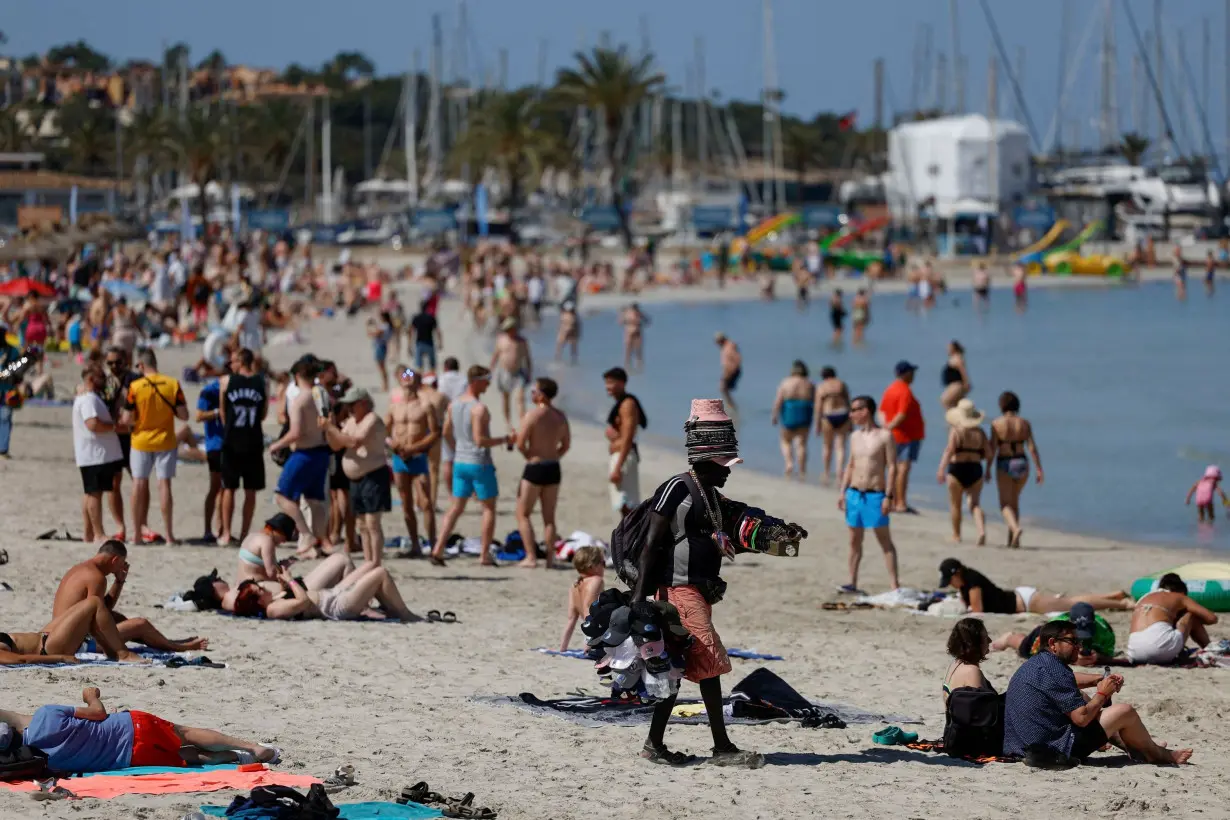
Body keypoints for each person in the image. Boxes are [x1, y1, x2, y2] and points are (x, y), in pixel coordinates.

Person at [630, 398, 806, 768]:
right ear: (707, 460)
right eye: (724, 465)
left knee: (677, 666)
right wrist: (639, 600)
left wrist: (780, 534)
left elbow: (739, 532)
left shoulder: (711, 496)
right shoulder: (676, 489)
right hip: (677, 591)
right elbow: (650, 545)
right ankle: (721, 746)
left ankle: (654, 745)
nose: (728, 472)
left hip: (697, 592)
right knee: (708, 661)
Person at [1003, 620, 1191, 766]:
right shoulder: (1054, 670)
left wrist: (1097, 679)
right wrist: (1101, 694)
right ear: (1053, 643)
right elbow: (1081, 719)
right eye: (1072, 641)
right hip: (1052, 750)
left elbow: (1067, 679)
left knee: (1083, 698)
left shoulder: (1039, 664)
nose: (1079, 646)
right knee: (1124, 711)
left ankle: (1136, 745)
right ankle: (1157, 754)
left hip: (1021, 745)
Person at [3, 687, 279, 772]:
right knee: (185, 733)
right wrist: (90, 695)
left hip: (132, 757)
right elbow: (98, 713)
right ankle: (252, 748)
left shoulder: (43, 762)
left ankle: (237, 758)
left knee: (191, 757)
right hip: (129, 726)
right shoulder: (45, 715)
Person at [52, 540, 208, 652]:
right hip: (75, 643)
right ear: (115, 560)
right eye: (122, 563)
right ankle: (178, 647)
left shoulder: (80, 569)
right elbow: (97, 617)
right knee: (140, 623)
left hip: (57, 635)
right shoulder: (97, 578)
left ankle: (164, 641)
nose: (123, 567)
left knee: (117, 617)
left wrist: (119, 581)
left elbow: (99, 610)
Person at [431, 366, 511, 566]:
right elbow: (480, 440)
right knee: (488, 508)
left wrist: (457, 448)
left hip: (460, 461)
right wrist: (504, 439)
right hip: (479, 462)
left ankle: (438, 548)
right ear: (476, 381)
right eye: (486, 380)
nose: (489, 384)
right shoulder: (479, 408)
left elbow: (447, 432)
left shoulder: (454, 404)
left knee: (456, 507)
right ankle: (484, 554)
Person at [121, 350, 188, 545]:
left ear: (141, 365)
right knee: (164, 485)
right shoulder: (173, 384)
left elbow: (126, 418)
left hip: (141, 441)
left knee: (138, 484)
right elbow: (184, 415)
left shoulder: (135, 386)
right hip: (165, 440)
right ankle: (169, 535)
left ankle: (136, 535)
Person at [268, 357, 332, 557]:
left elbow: (295, 432)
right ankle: (319, 542)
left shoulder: (300, 400)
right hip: (322, 452)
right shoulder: (322, 395)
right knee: (315, 500)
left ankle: (306, 534)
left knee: (282, 496)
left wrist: (276, 444)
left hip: (304, 453)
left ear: (296, 376)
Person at [837, 396, 900, 594]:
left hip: (876, 494)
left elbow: (893, 467)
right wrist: (842, 492)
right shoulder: (854, 437)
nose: (851, 414)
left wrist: (889, 496)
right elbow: (850, 465)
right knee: (854, 541)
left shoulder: (884, 436)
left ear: (866, 411)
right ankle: (852, 582)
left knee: (884, 541)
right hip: (855, 493)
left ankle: (894, 585)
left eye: (855, 410)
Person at [326, 387, 390, 567]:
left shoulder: (372, 419)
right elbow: (336, 445)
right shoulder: (352, 421)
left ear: (363, 403)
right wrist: (330, 430)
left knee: (372, 522)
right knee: (361, 524)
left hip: (373, 474)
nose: (350, 409)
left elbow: (354, 442)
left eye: (352, 404)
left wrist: (332, 428)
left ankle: (376, 562)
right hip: (356, 478)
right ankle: (369, 562)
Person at [938, 557, 1133, 615]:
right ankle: (1112, 595)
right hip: (1022, 598)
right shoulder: (965, 583)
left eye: (950, 580)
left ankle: (1123, 604)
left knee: (1073, 604)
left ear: (957, 574)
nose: (951, 585)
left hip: (1026, 601)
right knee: (1067, 601)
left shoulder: (972, 582)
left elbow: (977, 610)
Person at [236, 563, 420, 622]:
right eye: (260, 590)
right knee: (380, 574)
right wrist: (291, 581)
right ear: (258, 601)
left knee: (371, 565)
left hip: (332, 594)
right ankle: (405, 614)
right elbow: (303, 602)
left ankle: (390, 607)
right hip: (336, 607)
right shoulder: (273, 610)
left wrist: (285, 585)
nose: (264, 588)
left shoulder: (273, 601)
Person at [515, 377, 571, 569]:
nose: (532, 394)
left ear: (541, 394)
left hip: (535, 466)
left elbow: (521, 442)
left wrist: (528, 455)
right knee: (549, 518)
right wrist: (554, 455)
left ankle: (531, 557)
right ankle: (549, 559)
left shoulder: (532, 415)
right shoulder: (560, 416)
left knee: (523, 513)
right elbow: (566, 445)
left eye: (534, 391)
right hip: (553, 466)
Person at [386, 369, 440, 555]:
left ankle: (434, 545)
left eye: (411, 376)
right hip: (399, 458)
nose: (407, 379)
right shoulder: (394, 407)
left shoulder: (426, 405)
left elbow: (434, 433)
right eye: (404, 376)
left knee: (425, 502)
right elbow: (384, 432)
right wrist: (392, 445)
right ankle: (416, 545)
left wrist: (414, 448)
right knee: (406, 502)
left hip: (417, 457)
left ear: (417, 382)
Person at [217, 347, 267, 544]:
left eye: (233, 362)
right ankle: (244, 533)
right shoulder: (262, 382)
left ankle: (227, 533)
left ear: (240, 361)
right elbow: (263, 414)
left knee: (229, 488)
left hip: (232, 440)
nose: (231, 365)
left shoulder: (226, 381)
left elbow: (222, 412)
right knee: (250, 490)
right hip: (253, 440)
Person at [1, 597, 144, 665]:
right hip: (49, 649)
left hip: (44, 637)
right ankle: (122, 654)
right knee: (94, 603)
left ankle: (112, 651)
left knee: (86, 610)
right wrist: (61, 658)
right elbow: (21, 660)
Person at [73, 367, 125, 544]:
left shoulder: (87, 397)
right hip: (95, 454)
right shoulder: (88, 399)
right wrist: (114, 427)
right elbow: (93, 424)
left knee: (90, 494)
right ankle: (98, 533)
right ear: (90, 379)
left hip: (92, 453)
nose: (103, 379)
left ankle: (89, 533)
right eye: (99, 376)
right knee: (95, 494)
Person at [941, 619, 1003, 759]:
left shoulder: (956, 664)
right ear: (974, 643)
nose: (990, 640)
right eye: (985, 638)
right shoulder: (972, 671)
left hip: (952, 734)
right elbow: (980, 717)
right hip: (969, 742)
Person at [989, 391, 1043, 548]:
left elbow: (992, 448)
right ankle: (1014, 541)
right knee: (1014, 503)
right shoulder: (1025, 423)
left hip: (1005, 463)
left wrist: (987, 469)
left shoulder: (997, 424)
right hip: (1022, 463)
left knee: (1005, 504)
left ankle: (1015, 528)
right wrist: (1039, 469)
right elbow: (1032, 448)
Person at [1126, 573, 1218, 664]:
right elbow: (1212, 618)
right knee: (1190, 615)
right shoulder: (1178, 596)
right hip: (1159, 650)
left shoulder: (1144, 597)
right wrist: (1190, 618)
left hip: (1134, 653)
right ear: (1181, 591)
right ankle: (1210, 650)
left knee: (1165, 622)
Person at [936, 398, 991, 545]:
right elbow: (989, 453)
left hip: (957, 469)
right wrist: (988, 470)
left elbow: (949, 450)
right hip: (975, 468)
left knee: (955, 504)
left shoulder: (956, 431)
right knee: (975, 504)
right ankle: (981, 531)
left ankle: (956, 535)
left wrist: (941, 469)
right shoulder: (980, 433)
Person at [992, 602, 1118, 666]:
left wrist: (1098, 658)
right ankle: (1009, 638)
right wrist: (1072, 659)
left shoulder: (1105, 631)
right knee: (1023, 647)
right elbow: (1044, 655)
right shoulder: (1056, 627)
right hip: (1043, 633)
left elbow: (1109, 655)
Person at [880, 360, 924, 513]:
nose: (914, 375)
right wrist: (889, 428)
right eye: (912, 372)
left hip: (896, 435)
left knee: (895, 468)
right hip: (906, 436)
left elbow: (881, 412)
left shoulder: (890, 389)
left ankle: (893, 500)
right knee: (902, 469)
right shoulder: (904, 390)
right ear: (906, 374)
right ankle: (900, 502)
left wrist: (885, 428)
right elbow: (901, 414)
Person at [604, 367, 647, 519]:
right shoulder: (620, 403)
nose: (607, 386)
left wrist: (617, 467)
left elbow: (628, 438)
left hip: (624, 457)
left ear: (621, 383)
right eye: (606, 383)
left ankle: (633, 541)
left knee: (627, 505)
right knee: (624, 507)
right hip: (622, 455)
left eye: (611, 382)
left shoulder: (627, 404)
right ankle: (630, 540)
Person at [770, 360, 813, 480]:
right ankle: (802, 470)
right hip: (804, 411)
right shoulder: (809, 383)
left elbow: (779, 400)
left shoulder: (786, 382)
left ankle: (789, 463)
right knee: (801, 443)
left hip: (790, 412)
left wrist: (774, 415)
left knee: (786, 440)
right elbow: (816, 401)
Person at [195, 375, 225, 544]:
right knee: (216, 487)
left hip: (230, 445)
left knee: (226, 489)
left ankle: (222, 529)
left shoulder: (236, 387)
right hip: (215, 444)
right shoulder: (209, 391)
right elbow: (198, 416)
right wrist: (217, 412)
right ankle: (208, 529)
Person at [559, 545, 604, 650]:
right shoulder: (596, 580)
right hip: (593, 630)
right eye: (602, 563)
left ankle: (562, 647)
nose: (604, 567)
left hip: (587, 626)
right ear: (592, 566)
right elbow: (589, 609)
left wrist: (562, 649)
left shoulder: (575, 584)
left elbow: (572, 619)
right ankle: (587, 648)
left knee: (570, 619)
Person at [490, 317, 532, 429]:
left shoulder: (522, 341)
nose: (510, 331)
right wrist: (490, 369)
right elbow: (495, 355)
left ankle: (523, 422)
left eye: (511, 329)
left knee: (520, 398)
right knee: (506, 398)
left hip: (519, 372)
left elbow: (527, 358)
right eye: (507, 329)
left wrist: (529, 372)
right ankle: (508, 423)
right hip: (504, 372)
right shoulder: (501, 339)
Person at [235, 513, 299, 584]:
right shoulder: (267, 541)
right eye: (285, 538)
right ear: (278, 531)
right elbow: (271, 574)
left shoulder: (251, 535)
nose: (283, 541)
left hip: (240, 585)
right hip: (255, 587)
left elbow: (256, 566)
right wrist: (284, 569)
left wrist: (279, 565)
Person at [813, 366, 851, 485]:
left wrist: (817, 424)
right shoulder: (842, 384)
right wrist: (851, 421)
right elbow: (849, 402)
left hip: (828, 416)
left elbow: (818, 407)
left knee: (827, 446)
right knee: (840, 446)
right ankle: (840, 472)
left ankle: (826, 472)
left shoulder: (822, 386)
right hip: (843, 414)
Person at [0, 322, 18, 458]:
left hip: (7, 390)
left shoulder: (13, 351)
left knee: (5, 418)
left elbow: (18, 370)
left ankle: (3, 449)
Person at [410, 299, 442, 371]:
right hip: (429, 343)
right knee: (432, 367)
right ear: (427, 307)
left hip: (419, 343)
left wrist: (409, 345)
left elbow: (411, 331)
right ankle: (431, 380)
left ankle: (420, 381)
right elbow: (438, 331)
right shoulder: (431, 318)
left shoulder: (416, 318)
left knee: (419, 367)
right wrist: (440, 343)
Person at [714, 333, 742, 414]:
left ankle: (733, 408)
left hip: (732, 370)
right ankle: (731, 407)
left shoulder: (729, 346)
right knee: (724, 389)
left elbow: (737, 358)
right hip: (729, 371)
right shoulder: (726, 347)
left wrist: (732, 370)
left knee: (723, 388)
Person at [367, 312, 393, 393]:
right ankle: (385, 385)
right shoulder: (387, 326)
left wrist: (367, 326)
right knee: (382, 368)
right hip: (382, 346)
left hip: (381, 347)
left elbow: (374, 334)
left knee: (382, 368)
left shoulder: (385, 326)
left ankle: (385, 385)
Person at [939, 340, 970, 410]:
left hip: (956, 385)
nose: (947, 349)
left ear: (953, 348)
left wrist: (966, 383)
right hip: (952, 385)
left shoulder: (957, 358)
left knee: (945, 400)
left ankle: (953, 417)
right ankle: (957, 418)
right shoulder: (954, 358)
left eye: (949, 347)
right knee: (956, 405)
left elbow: (963, 371)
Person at [619, 303, 649, 370]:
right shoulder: (626, 313)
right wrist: (629, 322)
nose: (635, 310)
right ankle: (627, 365)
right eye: (634, 309)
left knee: (638, 349)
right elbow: (620, 322)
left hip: (637, 332)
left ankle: (639, 365)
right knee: (628, 349)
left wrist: (640, 323)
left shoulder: (639, 313)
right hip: (629, 332)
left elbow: (647, 320)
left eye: (636, 309)